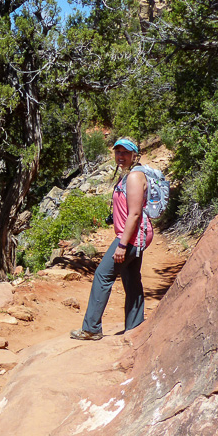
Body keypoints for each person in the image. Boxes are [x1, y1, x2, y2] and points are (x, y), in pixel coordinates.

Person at [70, 137, 153, 341]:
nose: (120, 156)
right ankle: (135, 326)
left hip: (132, 236)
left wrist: (122, 245)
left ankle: (91, 328)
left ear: (135, 154)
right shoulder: (128, 175)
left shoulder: (134, 177)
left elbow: (134, 214)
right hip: (137, 234)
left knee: (102, 275)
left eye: (125, 152)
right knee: (131, 277)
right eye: (118, 152)